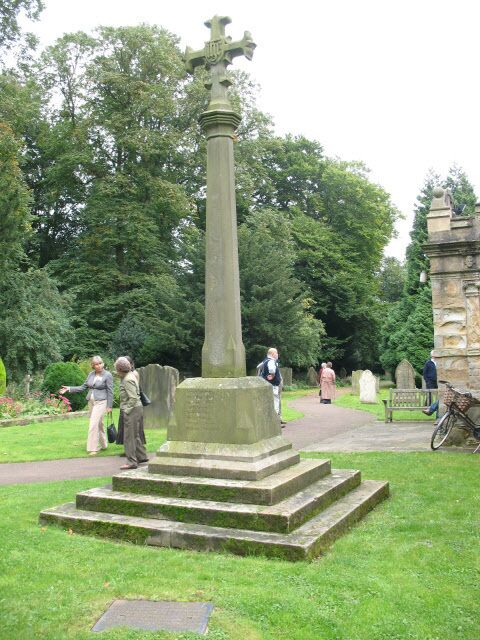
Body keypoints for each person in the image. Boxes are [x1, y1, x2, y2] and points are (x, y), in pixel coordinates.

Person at [59, 356, 113, 455]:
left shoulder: (108, 375)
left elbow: (110, 391)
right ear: (92, 365)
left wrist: (109, 406)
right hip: (91, 402)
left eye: (100, 363)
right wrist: (69, 388)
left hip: (101, 402)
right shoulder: (91, 374)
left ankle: (93, 448)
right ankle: (104, 444)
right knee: (99, 423)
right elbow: (83, 387)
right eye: (96, 364)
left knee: (93, 423)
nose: (99, 365)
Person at [115, 356, 148, 470]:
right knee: (135, 435)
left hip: (132, 409)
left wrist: (126, 410)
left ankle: (131, 462)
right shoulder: (130, 375)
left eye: (116, 369)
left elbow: (133, 398)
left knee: (129, 437)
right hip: (137, 408)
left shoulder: (127, 379)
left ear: (120, 369)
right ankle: (142, 456)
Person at [258, 347, 284, 424]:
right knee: (275, 403)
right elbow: (272, 370)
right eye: (276, 353)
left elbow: (258, 368)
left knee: (270, 403)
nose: (277, 355)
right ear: (272, 354)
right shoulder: (271, 361)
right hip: (273, 385)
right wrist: (272, 375)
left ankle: (272, 421)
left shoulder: (264, 361)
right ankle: (275, 422)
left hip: (268, 385)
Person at [422, 350, 439, 418]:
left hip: (438, 381)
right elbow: (424, 373)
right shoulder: (428, 363)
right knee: (430, 393)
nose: (435, 355)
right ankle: (427, 405)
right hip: (430, 381)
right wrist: (427, 381)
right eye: (434, 353)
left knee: (439, 394)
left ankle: (433, 406)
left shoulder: (439, 362)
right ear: (432, 355)